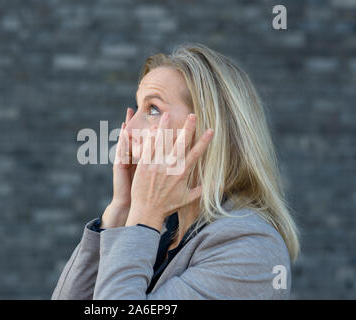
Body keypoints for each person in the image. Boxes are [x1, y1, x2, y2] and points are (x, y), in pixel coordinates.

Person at [52, 43, 300, 300]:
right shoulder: (162, 232)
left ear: (208, 129)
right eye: (137, 108)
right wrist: (120, 212)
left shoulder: (252, 251)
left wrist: (143, 217)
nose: (129, 128)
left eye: (153, 110)